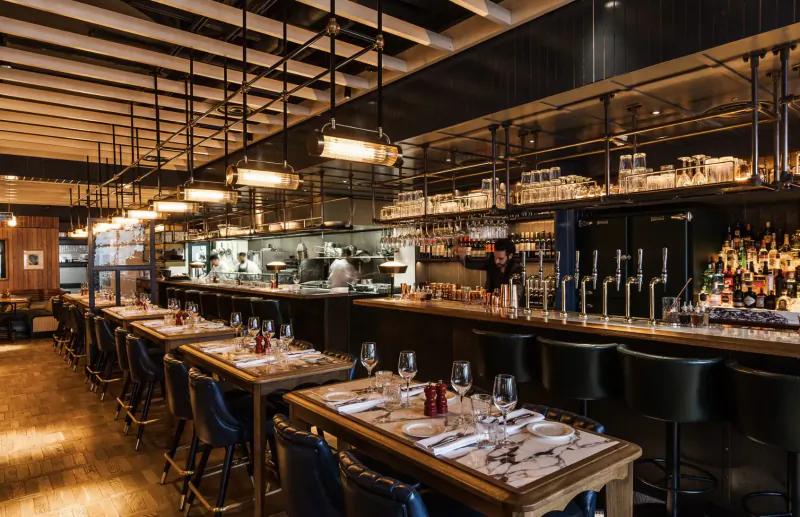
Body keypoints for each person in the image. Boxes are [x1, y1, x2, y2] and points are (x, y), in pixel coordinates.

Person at [455, 237, 522, 293]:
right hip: (492, 302)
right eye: (495, 257)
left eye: (500, 258)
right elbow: (472, 264)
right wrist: (462, 257)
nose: (496, 261)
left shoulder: (517, 270)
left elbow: (516, 295)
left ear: (510, 256)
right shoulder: (491, 263)